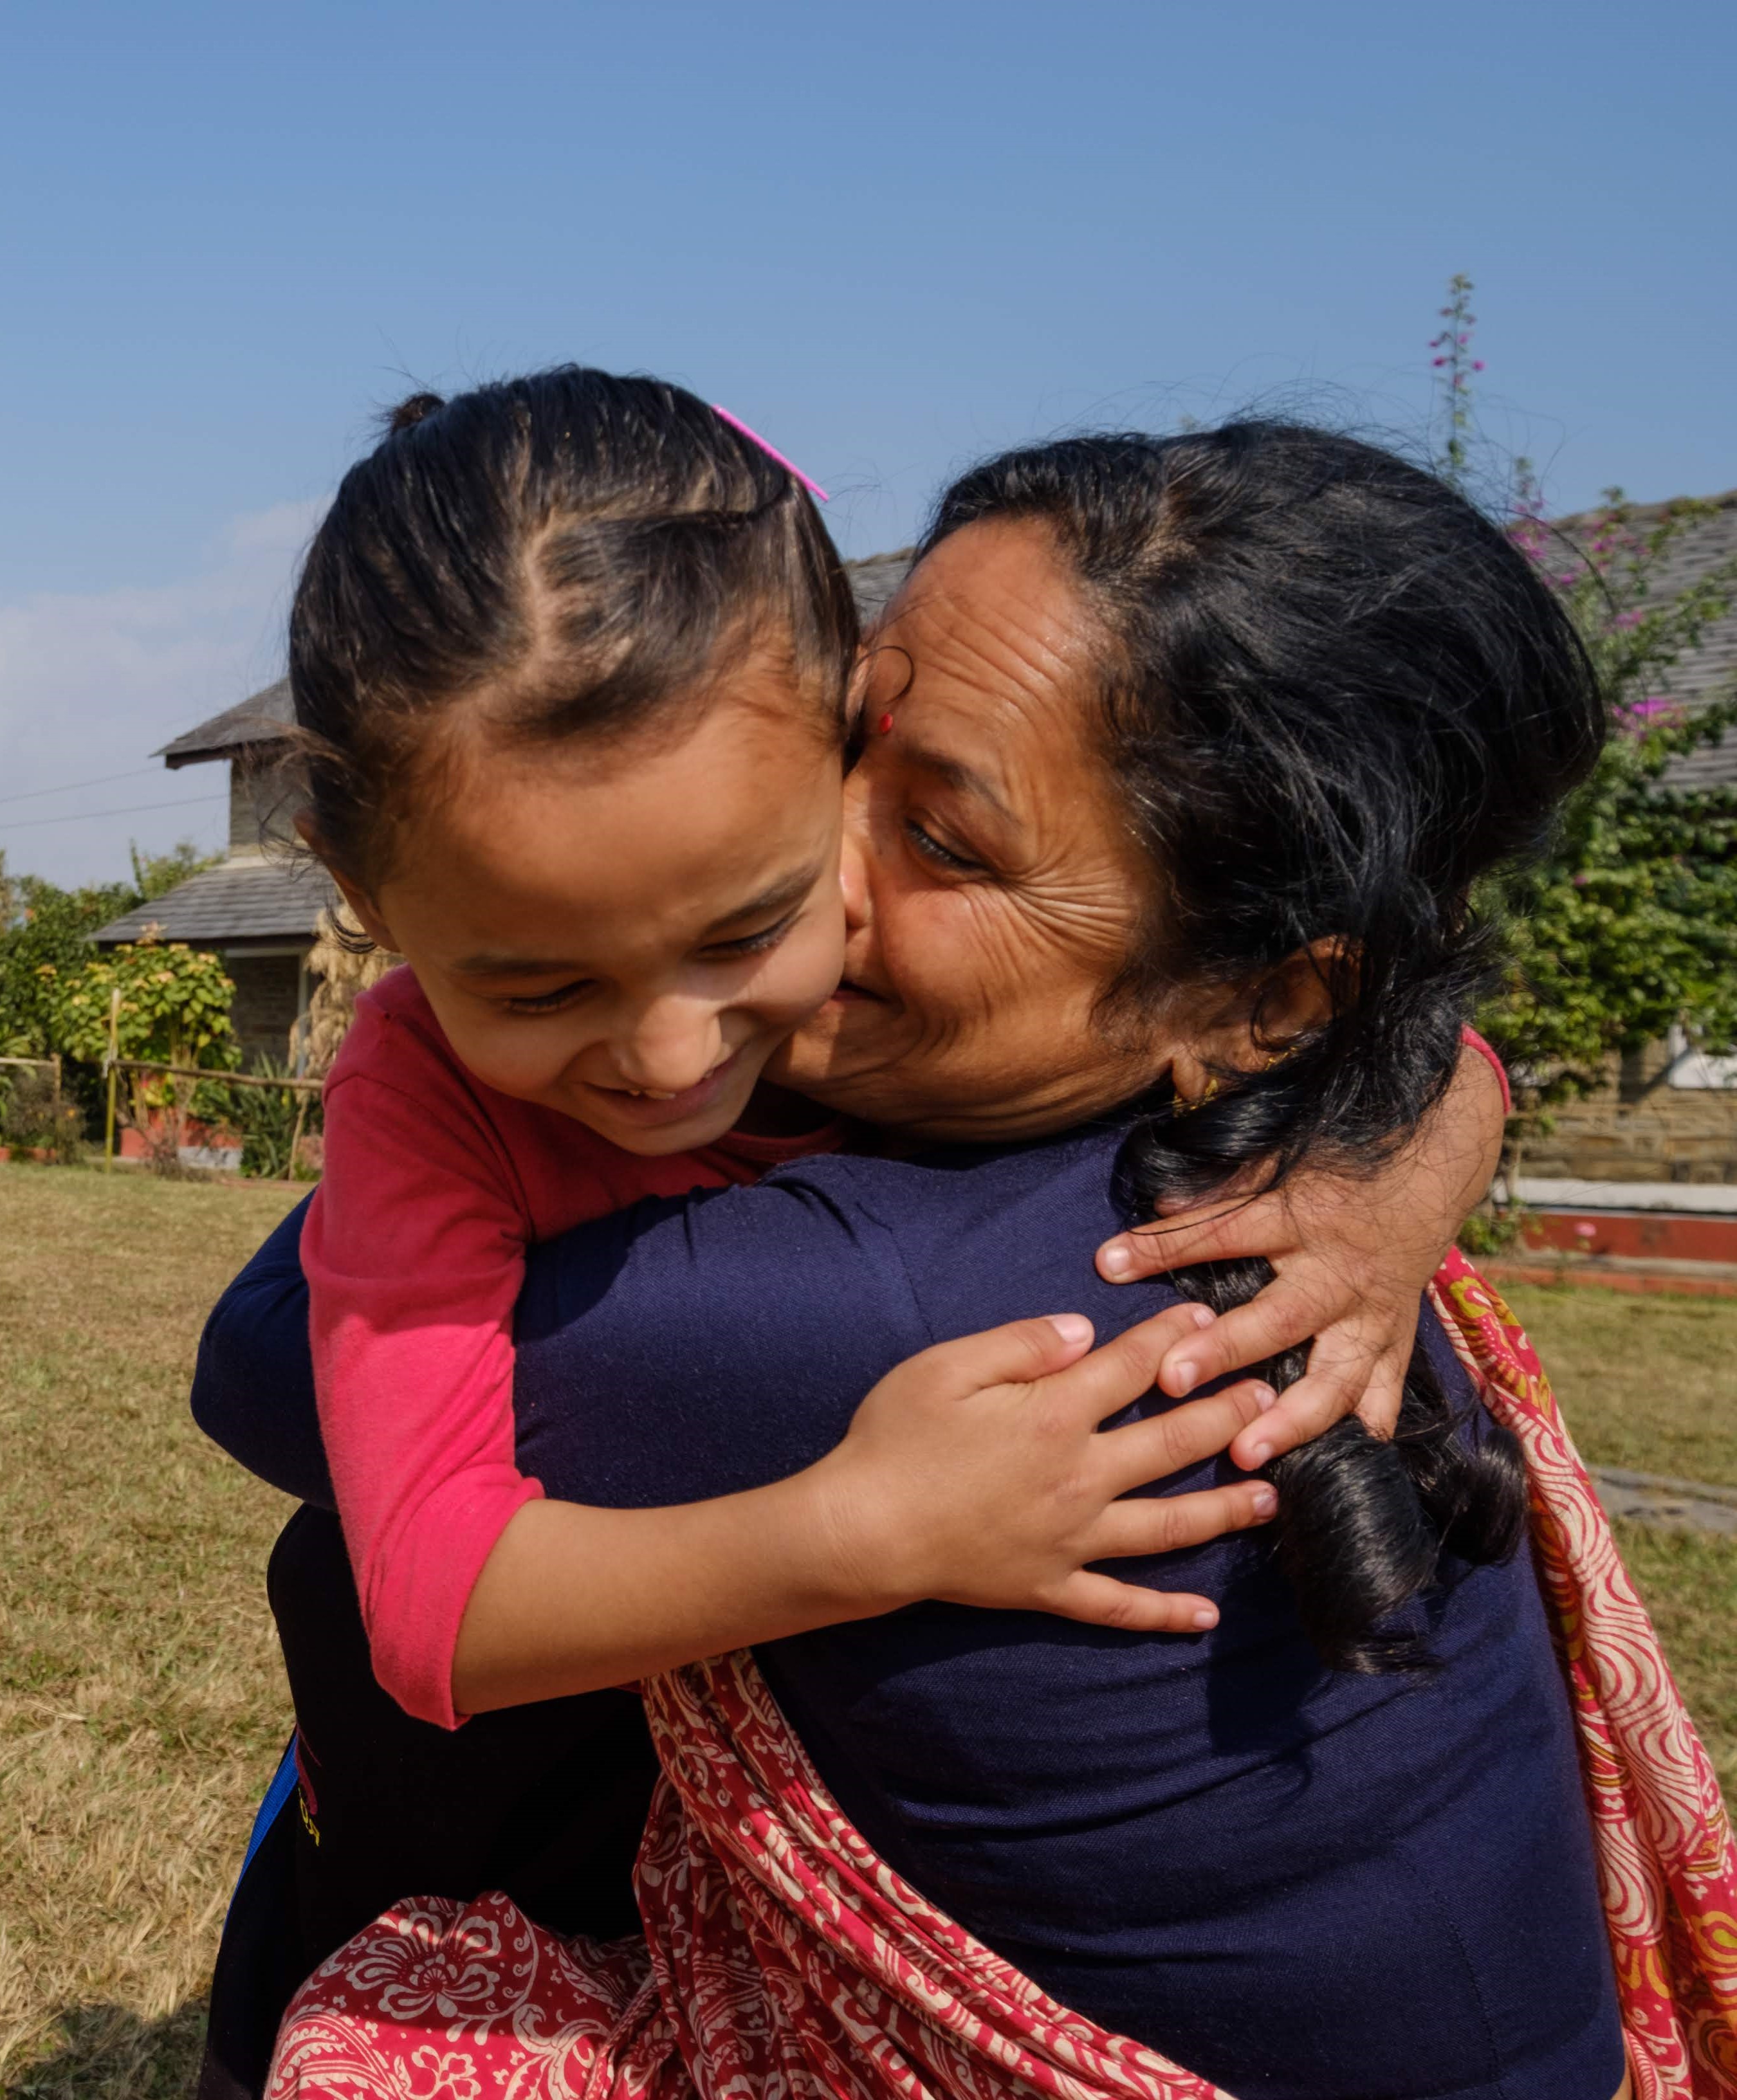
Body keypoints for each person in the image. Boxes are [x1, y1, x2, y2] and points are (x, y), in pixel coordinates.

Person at [199, 423, 1733, 2097]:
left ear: (1262, 1000)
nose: (817, 867)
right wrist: (1449, 1104)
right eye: (852, 738)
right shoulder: (1295, 1147)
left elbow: (266, 1368)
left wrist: (447, 1080)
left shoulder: (845, 1308)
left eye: (945, 840)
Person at [284, 370, 1493, 1747]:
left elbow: (1406, 1026)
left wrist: (1407, 1162)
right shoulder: (439, 1086)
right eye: (540, 985)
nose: (670, 1050)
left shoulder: (937, 1053)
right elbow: (425, 1595)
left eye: (749, 920)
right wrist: (862, 1528)